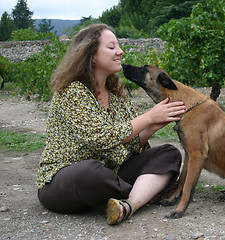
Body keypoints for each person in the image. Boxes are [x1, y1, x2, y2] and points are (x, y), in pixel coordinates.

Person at [36, 23, 186, 225]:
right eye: (111, 47)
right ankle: (148, 189)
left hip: (111, 173)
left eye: (119, 46)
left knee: (169, 153)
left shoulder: (117, 95)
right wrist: (148, 117)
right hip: (67, 179)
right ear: (92, 55)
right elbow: (102, 139)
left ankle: (128, 204)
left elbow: (129, 146)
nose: (120, 51)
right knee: (90, 171)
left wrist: (152, 127)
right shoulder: (71, 92)